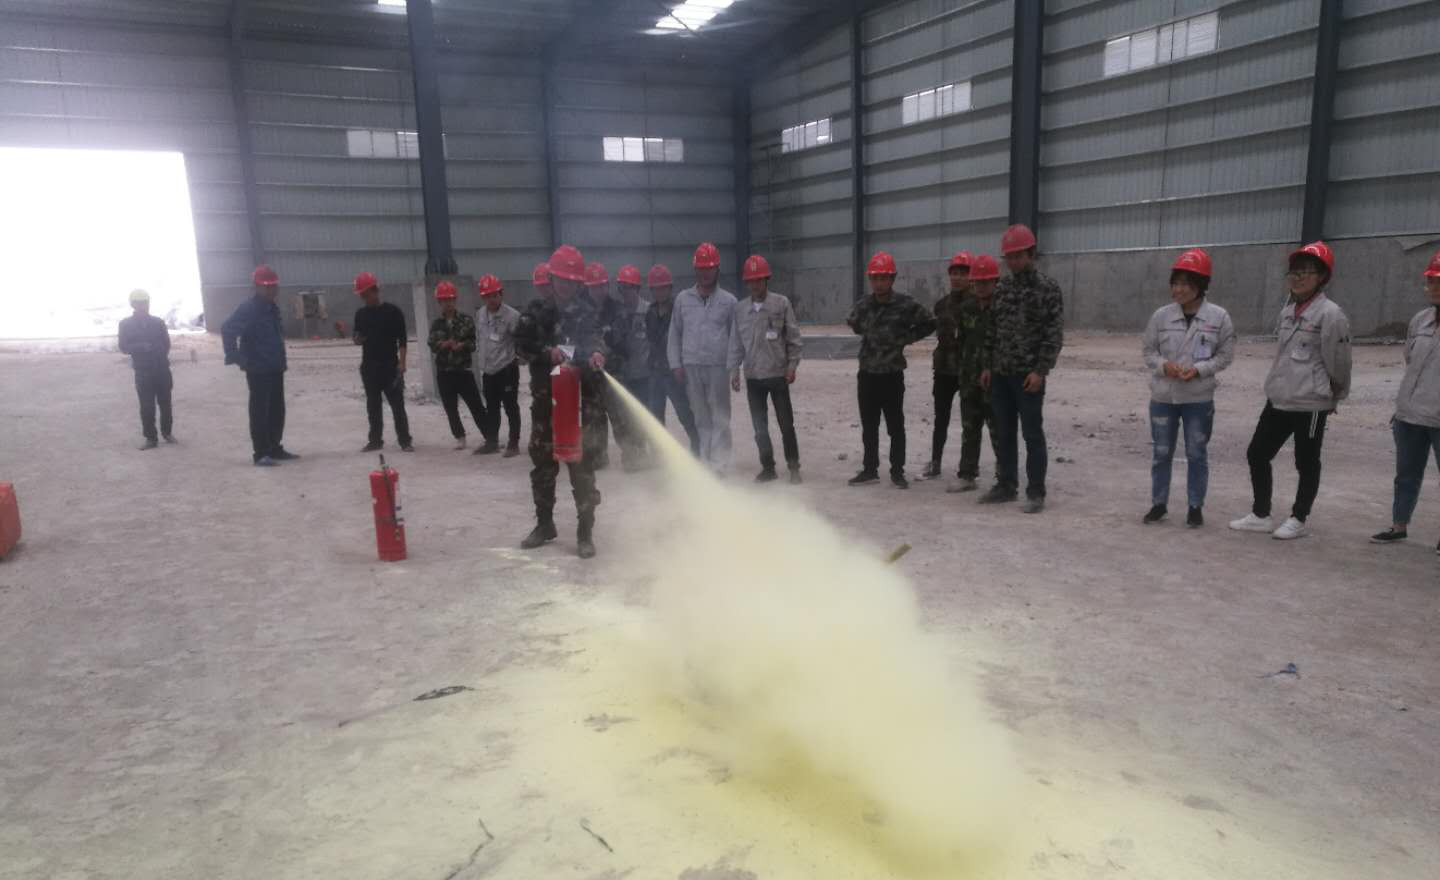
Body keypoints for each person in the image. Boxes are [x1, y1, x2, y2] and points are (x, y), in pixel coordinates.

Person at [1229, 242, 1352, 540]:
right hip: (1280, 397)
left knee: (1306, 462)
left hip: (1310, 403)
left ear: (1322, 277)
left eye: (1306, 272)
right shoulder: (1288, 312)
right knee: (1257, 453)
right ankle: (1261, 514)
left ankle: (1299, 518)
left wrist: (1334, 396)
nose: (1298, 278)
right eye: (1294, 272)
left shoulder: (1331, 315)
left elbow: (1340, 362)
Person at [516, 244, 608, 559]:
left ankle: (585, 533)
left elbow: (596, 339)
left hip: (579, 406)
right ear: (552, 279)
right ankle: (545, 525)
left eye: (572, 281)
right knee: (543, 466)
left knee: (582, 469)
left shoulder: (588, 312)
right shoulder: (534, 313)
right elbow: (521, 347)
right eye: (561, 279)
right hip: (547, 404)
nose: (566, 286)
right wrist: (547, 353)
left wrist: (597, 353)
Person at [1140, 249, 1236, 527]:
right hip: (1163, 397)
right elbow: (1148, 352)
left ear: (1200, 286)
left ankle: (1195, 507)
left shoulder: (1218, 317)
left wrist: (1199, 369)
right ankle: (1159, 504)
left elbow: (1225, 356)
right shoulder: (1161, 317)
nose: (1178, 289)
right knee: (1161, 452)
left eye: (1185, 284)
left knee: (1196, 453)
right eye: (1175, 283)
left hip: (1198, 398)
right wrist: (1165, 366)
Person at [980, 224, 1064, 513]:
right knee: (1004, 432)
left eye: (1019, 256)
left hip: (1028, 376)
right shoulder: (1002, 288)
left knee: (1032, 434)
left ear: (1031, 254)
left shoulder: (1047, 289)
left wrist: (1040, 371)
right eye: (1010, 257)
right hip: (1001, 374)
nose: (1014, 261)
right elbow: (992, 330)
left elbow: (1053, 335)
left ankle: (1036, 491)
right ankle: (1006, 485)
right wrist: (988, 366)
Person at [846, 251, 937, 489]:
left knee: (895, 426)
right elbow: (853, 323)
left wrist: (905, 338)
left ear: (892, 278)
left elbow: (929, 322)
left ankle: (898, 471)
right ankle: (870, 470)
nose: (879, 283)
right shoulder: (864, 305)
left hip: (892, 374)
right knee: (869, 426)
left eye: (884, 278)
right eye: (875, 278)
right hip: (868, 374)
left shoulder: (905, 304)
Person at [1372, 250, 1440, 551]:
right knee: (1406, 475)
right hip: (1409, 415)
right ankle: (1399, 526)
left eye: (1439, 281)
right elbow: (1411, 361)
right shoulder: (1420, 320)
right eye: (1431, 281)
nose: (1433, 287)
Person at [729, 254, 803, 484]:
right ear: (746, 282)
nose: (755, 285)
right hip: (753, 377)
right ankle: (768, 467)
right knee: (759, 427)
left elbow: (793, 337)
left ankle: (794, 467)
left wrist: (792, 366)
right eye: (751, 281)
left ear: (766, 279)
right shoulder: (740, 310)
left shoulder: (781, 304)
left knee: (786, 424)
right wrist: (734, 371)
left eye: (759, 280)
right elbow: (735, 343)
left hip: (777, 374)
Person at [668, 242, 739, 474]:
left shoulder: (729, 301)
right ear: (695, 270)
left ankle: (720, 463)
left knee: (720, 415)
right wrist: (676, 364)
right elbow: (675, 333)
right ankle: (705, 459)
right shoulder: (683, 299)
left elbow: (735, 338)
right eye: (701, 268)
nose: (705, 273)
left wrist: (734, 368)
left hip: (718, 366)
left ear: (717, 269)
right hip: (691, 365)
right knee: (700, 416)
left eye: (709, 268)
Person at [222, 265, 297, 466]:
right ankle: (261, 453)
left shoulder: (272, 308)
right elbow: (227, 329)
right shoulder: (249, 308)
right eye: (267, 286)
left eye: (274, 286)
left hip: (275, 366)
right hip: (258, 369)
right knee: (260, 411)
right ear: (257, 287)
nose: (272, 290)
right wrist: (236, 356)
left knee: (276, 410)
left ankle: (274, 447)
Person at [947, 254, 1003, 493]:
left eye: (986, 282)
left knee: (998, 429)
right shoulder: (966, 308)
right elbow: (961, 341)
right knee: (970, 428)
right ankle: (967, 474)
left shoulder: (1002, 309)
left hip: (995, 380)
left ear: (995, 282)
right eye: (978, 282)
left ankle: (1005, 476)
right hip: (969, 377)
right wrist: (962, 371)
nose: (981, 287)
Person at [351, 272, 412, 453]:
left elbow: (402, 340)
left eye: (366, 294)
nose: (364, 298)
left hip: (390, 366)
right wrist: (357, 340)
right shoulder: (360, 314)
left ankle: (405, 440)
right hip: (369, 367)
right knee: (373, 406)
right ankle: (375, 440)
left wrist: (402, 363)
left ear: (375, 290)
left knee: (397, 405)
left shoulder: (393, 312)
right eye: (361, 295)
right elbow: (357, 337)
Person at [925, 251, 972, 480]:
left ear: (971, 276)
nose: (957, 278)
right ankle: (935, 462)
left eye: (963, 273)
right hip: (944, 370)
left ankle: (968, 469)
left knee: (969, 422)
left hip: (968, 371)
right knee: (940, 419)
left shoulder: (977, 304)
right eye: (954, 273)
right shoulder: (941, 305)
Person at [645, 263, 700, 454]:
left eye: (663, 288)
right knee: (655, 414)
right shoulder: (650, 312)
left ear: (670, 288)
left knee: (685, 412)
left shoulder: (680, 309)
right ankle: (659, 452)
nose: (659, 292)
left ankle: (697, 446)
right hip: (655, 371)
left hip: (675, 371)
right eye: (656, 288)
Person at [426, 280, 488, 450]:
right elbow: (431, 344)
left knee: (476, 405)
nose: (448, 303)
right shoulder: (436, 324)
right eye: (444, 300)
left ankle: (489, 435)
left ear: (455, 300)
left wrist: (462, 345)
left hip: (463, 371)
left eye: (450, 299)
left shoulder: (466, 320)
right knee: (450, 408)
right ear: (439, 302)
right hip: (444, 372)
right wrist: (443, 344)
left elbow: (474, 343)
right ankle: (459, 436)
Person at [117, 288, 174, 449]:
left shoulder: (158, 322)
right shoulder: (125, 325)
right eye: (139, 303)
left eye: (144, 303)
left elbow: (166, 344)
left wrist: (159, 356)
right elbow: (123, 347)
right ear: (133, 305)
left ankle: (167, 433)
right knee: (147, 406)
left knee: (166, 404)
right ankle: (151, 438)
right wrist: (141, 347)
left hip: (162, 369)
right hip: (143, 372)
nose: (142, 306)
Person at [475, 273, 522, 457]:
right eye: (487, 296)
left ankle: (513, 443)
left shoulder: (512, 316)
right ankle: (492, 442)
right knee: (492, 407)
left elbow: (520, 340)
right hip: (488, 370)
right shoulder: (480, 314)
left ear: (501, 294)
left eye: (494, 295)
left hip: (506, 368)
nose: (491, 300)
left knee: (510, 407)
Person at [615, 264, 655, 470]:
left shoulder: (648, 311)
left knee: (644, 414)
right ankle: (630, 454)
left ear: (637, 289)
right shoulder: (618, 312)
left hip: (644, 374)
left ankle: (646, 452)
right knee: (626, 417)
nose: (625, 292)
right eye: (622, 288)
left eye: (629, 288)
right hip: (625, 374)